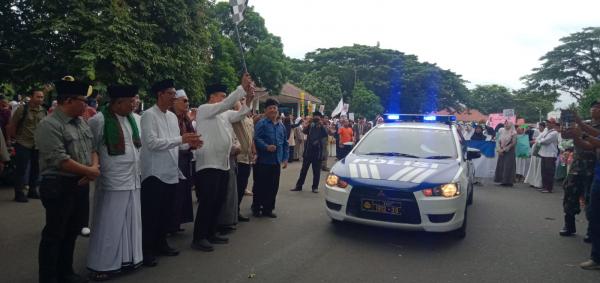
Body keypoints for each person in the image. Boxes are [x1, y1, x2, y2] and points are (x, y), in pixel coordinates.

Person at [36, 77, 99, 283]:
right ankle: (49, 276)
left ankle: (66, 272)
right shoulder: (49, 124)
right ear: (68, 100)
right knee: (55, 233)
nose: (87, 105)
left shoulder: (81, 122)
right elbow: (59, 160)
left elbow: (92, 148)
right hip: (58, 184)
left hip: (79, 183)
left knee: (72, 230)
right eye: (83, 100)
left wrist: (92, 168)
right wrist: (89, 171)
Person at [139, 79, 201, 266]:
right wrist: (180, 139)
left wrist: (190, 143)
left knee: (166, 212)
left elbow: (176, 143)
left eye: (175, 94)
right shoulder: (149, 115)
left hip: (171, 171)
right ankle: (147, 250)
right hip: (154, 173)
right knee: (151, 214)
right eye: (171, 94)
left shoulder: (172, 117)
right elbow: (152, 143)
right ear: (160, 94)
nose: (174, 97)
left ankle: (161, 243)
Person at [86, 85, 143, 280]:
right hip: (112, 180)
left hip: (133, 178)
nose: (134, 104)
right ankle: (101, 265)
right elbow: (91, 148)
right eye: (130, 101)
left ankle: (127, 260)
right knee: (109, 223)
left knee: (129, 221)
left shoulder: (133, 119)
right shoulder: (99, 120)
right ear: (118, 103)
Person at [192, 75, 254, 252]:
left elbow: (242, 114)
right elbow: (226, 104)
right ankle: (199, 237)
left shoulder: (225, 114)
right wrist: (241, 88)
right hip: (208, 163)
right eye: (221, 95)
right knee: (207, 201)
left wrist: (248, 98)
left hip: (223, 163)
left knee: (218, 200)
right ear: (212, 97)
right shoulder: (205, 109)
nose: (224, 99)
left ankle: (211, 232)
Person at [565, 106, 600, 270]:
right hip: (582, 167)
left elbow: (593, 142)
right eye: (592, 107)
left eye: (598, 108)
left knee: (591, 207)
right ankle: (569, 225)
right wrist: (569, 130)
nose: (594, 110)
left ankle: (591, 235)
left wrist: (581, 132)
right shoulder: (585, 124)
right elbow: (583, 142)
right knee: (572, 195)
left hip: (592, 169)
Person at [7, 89, 46, 202]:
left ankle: (32, 191)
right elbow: (12, 125)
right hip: (23, 143)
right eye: (38, 96)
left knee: (36, 169)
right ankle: (19, 193)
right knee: (21, 169)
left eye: (42, 97)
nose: (40, 99)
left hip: (37, 144)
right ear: (31, 97)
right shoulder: (22, 109)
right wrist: (14, 139)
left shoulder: (43, 111)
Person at [252, 98, 288, 218]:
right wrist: (266, 147)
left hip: (276, 161)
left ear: (277, 111)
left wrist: (285, 158)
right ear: (265, 110)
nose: (273, 110)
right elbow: (256, 139)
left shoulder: (281, 126)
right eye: (270, 108)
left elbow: (285, 143)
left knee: (273, 187)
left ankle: (268, 209)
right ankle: (256, 207)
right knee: (260, 185)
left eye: (275, 108)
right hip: (263, 161)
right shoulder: (261, 124)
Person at [168, 89, 195, 234]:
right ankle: (169, 224)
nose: (187, 103)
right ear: (175, 102)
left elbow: (192, 134)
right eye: (184, 100)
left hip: (185, 157)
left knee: (183, 191)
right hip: (172, 158)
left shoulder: (185, 118)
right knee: (174, 192)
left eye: (187, 101)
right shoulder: (170, 117)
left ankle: (176, 222)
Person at [292, 111, 329, 193]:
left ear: (320, 118)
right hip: (308, 152)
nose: (316, 118)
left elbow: (325, 136)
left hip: (317, 153)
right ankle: (299, 186)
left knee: (316, 172)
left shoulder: (322, 127)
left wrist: (321, 124)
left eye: (317, 117)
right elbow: (304, 131)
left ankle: (315, 187)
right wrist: (309, 123)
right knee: (303, 170)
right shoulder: (311, 125)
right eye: (314, 116)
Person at [231, 97, 255, 222]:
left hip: (247, 158)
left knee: (242, 186)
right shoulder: (234, 118)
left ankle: (237, 210)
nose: (243, 102)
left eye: (244, 100)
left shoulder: (249, 120)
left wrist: (253, 150)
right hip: (237, 157)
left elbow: (251, 137)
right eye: (240, 100)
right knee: (235, 187)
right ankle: (232, 213)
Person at [537, 119, 560, 193]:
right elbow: (539, 138)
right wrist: (540, 140)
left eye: (549, 123)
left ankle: (549, 188)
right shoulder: (546, 131)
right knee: (543, 171)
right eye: (547, 123)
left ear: (553, 124)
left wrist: (540, 140)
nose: (547, 124)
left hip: (550, 154)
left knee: (549, 172)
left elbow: (545, 141)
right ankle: (544, 186)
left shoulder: (554, 132)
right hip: (544, 153)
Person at [494, 122, 517, 186]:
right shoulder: (501, 131)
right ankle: (502, 180)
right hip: (501, 150)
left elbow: (513, 143)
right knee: (501, 165)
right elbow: (498, 140)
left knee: (508, 165)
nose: (506, 125)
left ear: (511, 125)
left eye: (507, 124)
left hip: (509, 151)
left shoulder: (513, 132)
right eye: (505, 124)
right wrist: (499, 149)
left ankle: (508, 181)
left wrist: (505, 149)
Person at [525, 122, 546, 188]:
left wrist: (536, 141)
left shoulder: (545, 133)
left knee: (538, 166)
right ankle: (532, 181)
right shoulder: (537, 132)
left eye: (540, 126)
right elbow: (534, 140)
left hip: (540, 151)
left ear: (543, 127)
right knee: (533, 166)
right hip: (535, 151)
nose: (539, 128)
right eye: (539, 126)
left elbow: (539, 141)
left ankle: (537, 182)